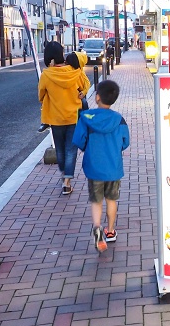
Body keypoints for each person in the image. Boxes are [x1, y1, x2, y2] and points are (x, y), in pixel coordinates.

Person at [73, 79, 130, 253]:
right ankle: (111, 231)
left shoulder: (86, 117)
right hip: (113, 166)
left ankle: (97, 228)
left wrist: (88, 149)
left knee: (96, 201)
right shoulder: (119, 119)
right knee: (111, 200)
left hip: (94, 166)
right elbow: (125, 142)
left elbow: (78, 140)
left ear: (97, 97)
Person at [38, 42, 90, 195]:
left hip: (55, 118)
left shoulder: (47, 74)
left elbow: (40, 95)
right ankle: (67, 180)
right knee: (70, 149)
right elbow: (85, 85)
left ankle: (64, 174)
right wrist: (82, 93)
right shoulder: (75, 71)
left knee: (60, 149)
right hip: (73, 116)